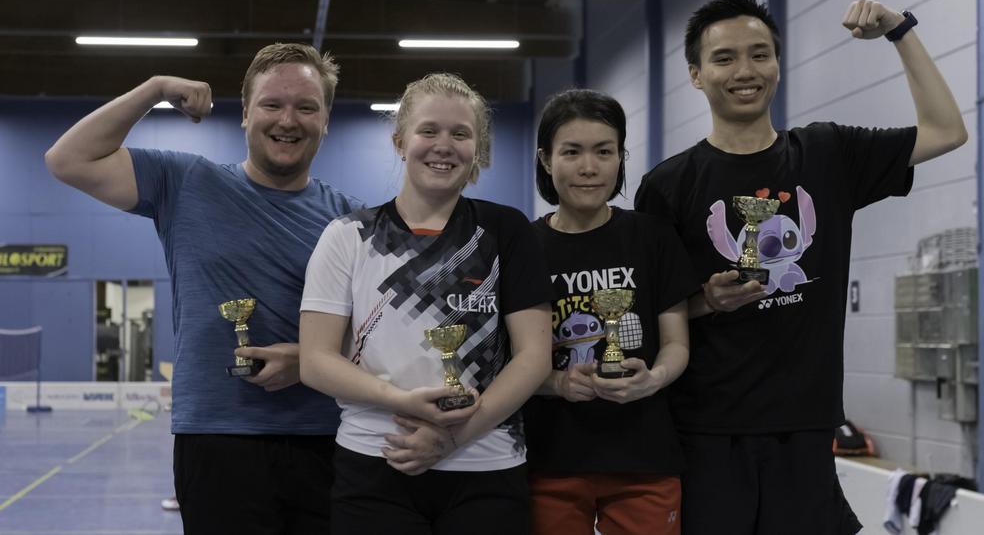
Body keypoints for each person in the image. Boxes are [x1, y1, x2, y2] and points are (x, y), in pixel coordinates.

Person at [634, 0, 968, 534]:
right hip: (705, 434)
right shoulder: (667, 186)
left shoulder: (827, 153)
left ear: (777, 63)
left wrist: (899, 30)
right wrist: (706, 301)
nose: (745, 71)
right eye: (724, 58)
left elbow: (946, 131)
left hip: (807, 431)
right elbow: (651, 315)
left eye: (759, 54)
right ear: (696, 74)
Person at [45, 43, 362, 535]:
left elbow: (374, 334)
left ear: (325, 121)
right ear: (245, 113)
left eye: (306, 107)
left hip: (326, 438)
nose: (288, 120)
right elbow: (67, 159)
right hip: (215, 439)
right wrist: (155, 88)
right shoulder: (185, 182)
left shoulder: (353, 220)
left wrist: (308, 360)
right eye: (272, 104)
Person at [298, 72, 552, 535]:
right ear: (400, 142)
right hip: (376, 461)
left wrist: (452, 438)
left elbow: (534, 357)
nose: (444, 146)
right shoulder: (348, 236)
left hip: (486, 463)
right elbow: (315, 362)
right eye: (428, 130)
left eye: (461, 134)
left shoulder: (506, 231)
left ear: (478, 149)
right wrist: (401, 401)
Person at [525, 89, 698, 535]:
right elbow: (512, 362)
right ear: (546, 160)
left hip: (644, 458)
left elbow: (676, 341)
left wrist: (653, 379)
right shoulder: (523, 248)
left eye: (604, 151)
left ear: (621, 157)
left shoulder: (653, 237)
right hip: (552, 459)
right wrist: (558, 383)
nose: (589, 167)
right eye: (572, 152)